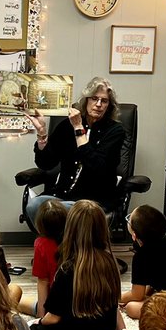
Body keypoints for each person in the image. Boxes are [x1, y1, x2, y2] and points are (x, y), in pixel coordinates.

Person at [30, 199, 124, 330]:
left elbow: (53, 318)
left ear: (70, 229)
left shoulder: (67, 269)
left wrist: (38, 323)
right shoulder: (110, 263)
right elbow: (114, 307)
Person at [24, 76, 126, 225]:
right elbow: (45, 163)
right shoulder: (67, 126)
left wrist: (79, 129)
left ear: (109, 105)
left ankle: (61, 247)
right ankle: (59, 246)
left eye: (104, 101)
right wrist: (42, 134)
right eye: (94, 98)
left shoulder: (115, 131)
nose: (98, 104)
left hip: (93, 202)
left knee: (60, 214)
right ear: (86, 100)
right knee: (34, 206)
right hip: (62, 195)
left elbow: (98, 168)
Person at [119, 205, 166, 320]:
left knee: (131, 307)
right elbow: (153, 278)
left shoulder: (141, 256)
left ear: (134, 235)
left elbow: (137, 294)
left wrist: (117, 298)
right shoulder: (165, 241)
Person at [18, 198, 67, 318]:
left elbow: (43, 282)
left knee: (16, 298)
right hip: (79, 305)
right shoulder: (74, 241)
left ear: (40, 225)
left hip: (54, 308)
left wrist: (41, 317)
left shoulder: (41, 245)